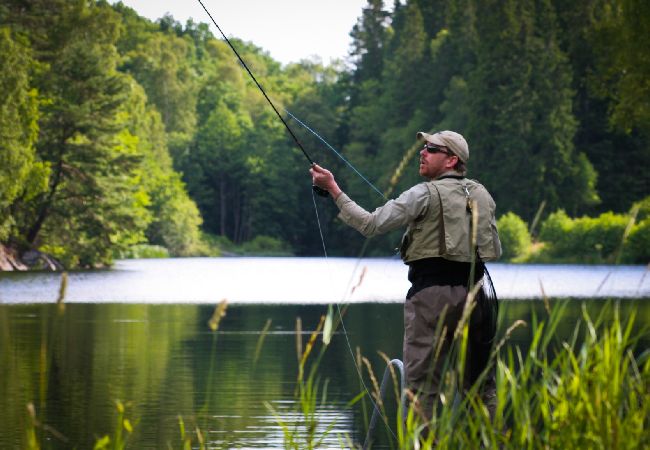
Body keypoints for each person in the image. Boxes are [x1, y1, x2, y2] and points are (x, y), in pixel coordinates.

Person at [310, 130, 501, 420]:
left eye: (431, 149)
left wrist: (333, 189)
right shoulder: (483, 195)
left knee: (422, 390)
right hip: (477, 298)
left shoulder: (423, 193)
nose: (422, 153)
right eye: (424, 147)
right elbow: (492, 249)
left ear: (451, 160)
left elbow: (370, 224)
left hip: (431, 299)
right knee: (481, 387)